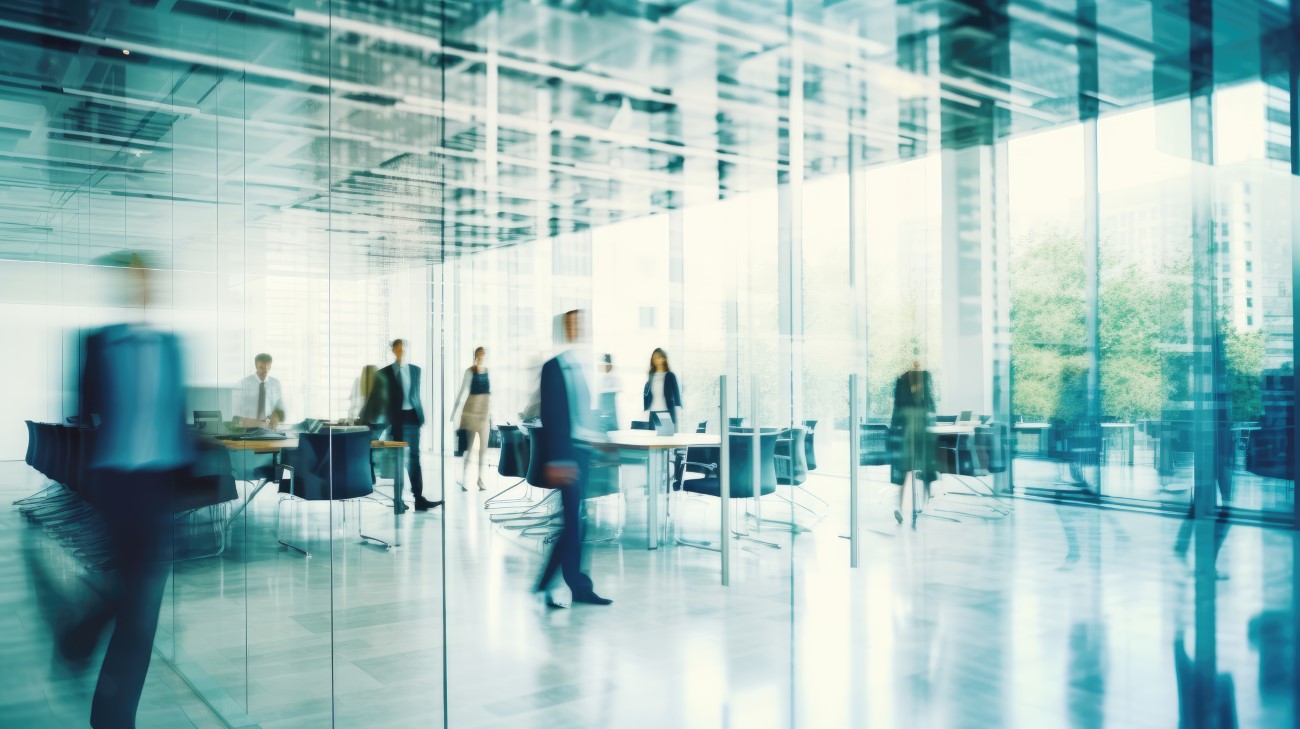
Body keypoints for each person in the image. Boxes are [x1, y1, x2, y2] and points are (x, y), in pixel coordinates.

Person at [65, 251, 195, 728]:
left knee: (139, 602)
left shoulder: (173, 345)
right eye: (134, 281)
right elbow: (84, 409)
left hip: (159, 487)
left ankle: (109, 707)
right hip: (117, 484)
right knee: (135, 598)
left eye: (149, 281)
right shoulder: (96, 343)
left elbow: (177, 412)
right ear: (123, 287)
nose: (143, 288)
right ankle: (103, 695)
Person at [535, 310, 612, 607]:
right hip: (566, 455)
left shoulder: (580, 366)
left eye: (581, 323)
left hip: (581, 451)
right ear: (562, 329)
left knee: (577, 523)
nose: (579, 328)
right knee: (574, 523)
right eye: (572, 323)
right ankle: (564, 586)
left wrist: (598, 442)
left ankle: (567, 586)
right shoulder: (554, 367)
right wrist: (559, 459)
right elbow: (551, 416)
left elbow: (580, 413)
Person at [377, 339, 441, 511]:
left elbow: (415, 395)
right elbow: (383, 401)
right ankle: (398, 501)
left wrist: (421, 415)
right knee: (399, 460)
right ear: (392, 350)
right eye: (397, 348)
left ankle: (418, 499)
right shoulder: (384, 373)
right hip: (397, 421)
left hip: (412, 417)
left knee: (414, 459)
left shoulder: (415, 370)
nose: (400, 351)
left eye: (402, 348)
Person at [889, 360, 938, 525]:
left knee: (905, 472)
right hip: (918, 439)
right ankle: (925, 504)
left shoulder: (903, 405)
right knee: (923, 469)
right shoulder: (922, 405)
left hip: (909, 439)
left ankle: (902, 507)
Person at [450, 346, 492, 491]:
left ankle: (480, 480)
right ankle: (464, 478)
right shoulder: (470, 371)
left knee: (483, 450)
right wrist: (454, 412)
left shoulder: (487, 372)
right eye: (480, 355)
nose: (482, 357)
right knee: (469, 448)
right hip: (472, 413)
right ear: (476, 355)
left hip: (484, 414)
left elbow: (491, 395)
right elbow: (462, 391)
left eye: (484, 355)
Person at [234, 353, 285, 429]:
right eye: (261, 368)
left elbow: (280, 407)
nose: (265, 371)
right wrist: (243, 421)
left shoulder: (275, 383)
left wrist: (277, 415)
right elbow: (237, 411)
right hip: (249, 428)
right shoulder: (244, 383)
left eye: (268, 368)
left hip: (269, 428)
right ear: (256, 366)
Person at [642, 347, 682, 425]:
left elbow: (676, 395)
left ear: (664, 358)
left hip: (667, 413)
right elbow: (647, 395)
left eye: (659, 357)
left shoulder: (670, 376)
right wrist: (645, 410)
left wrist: (678, 414)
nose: (657, 360)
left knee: (666, 437)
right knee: (651, 437)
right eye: (655, 358)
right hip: (653, 413)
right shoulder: (651, 377)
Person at [596, 353, 620, 432]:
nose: (605, 367)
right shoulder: (601, 378)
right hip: (604, 411)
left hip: (612, 410)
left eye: (607, 365)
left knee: (613, 430)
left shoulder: (615, 377)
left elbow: (617, 390)